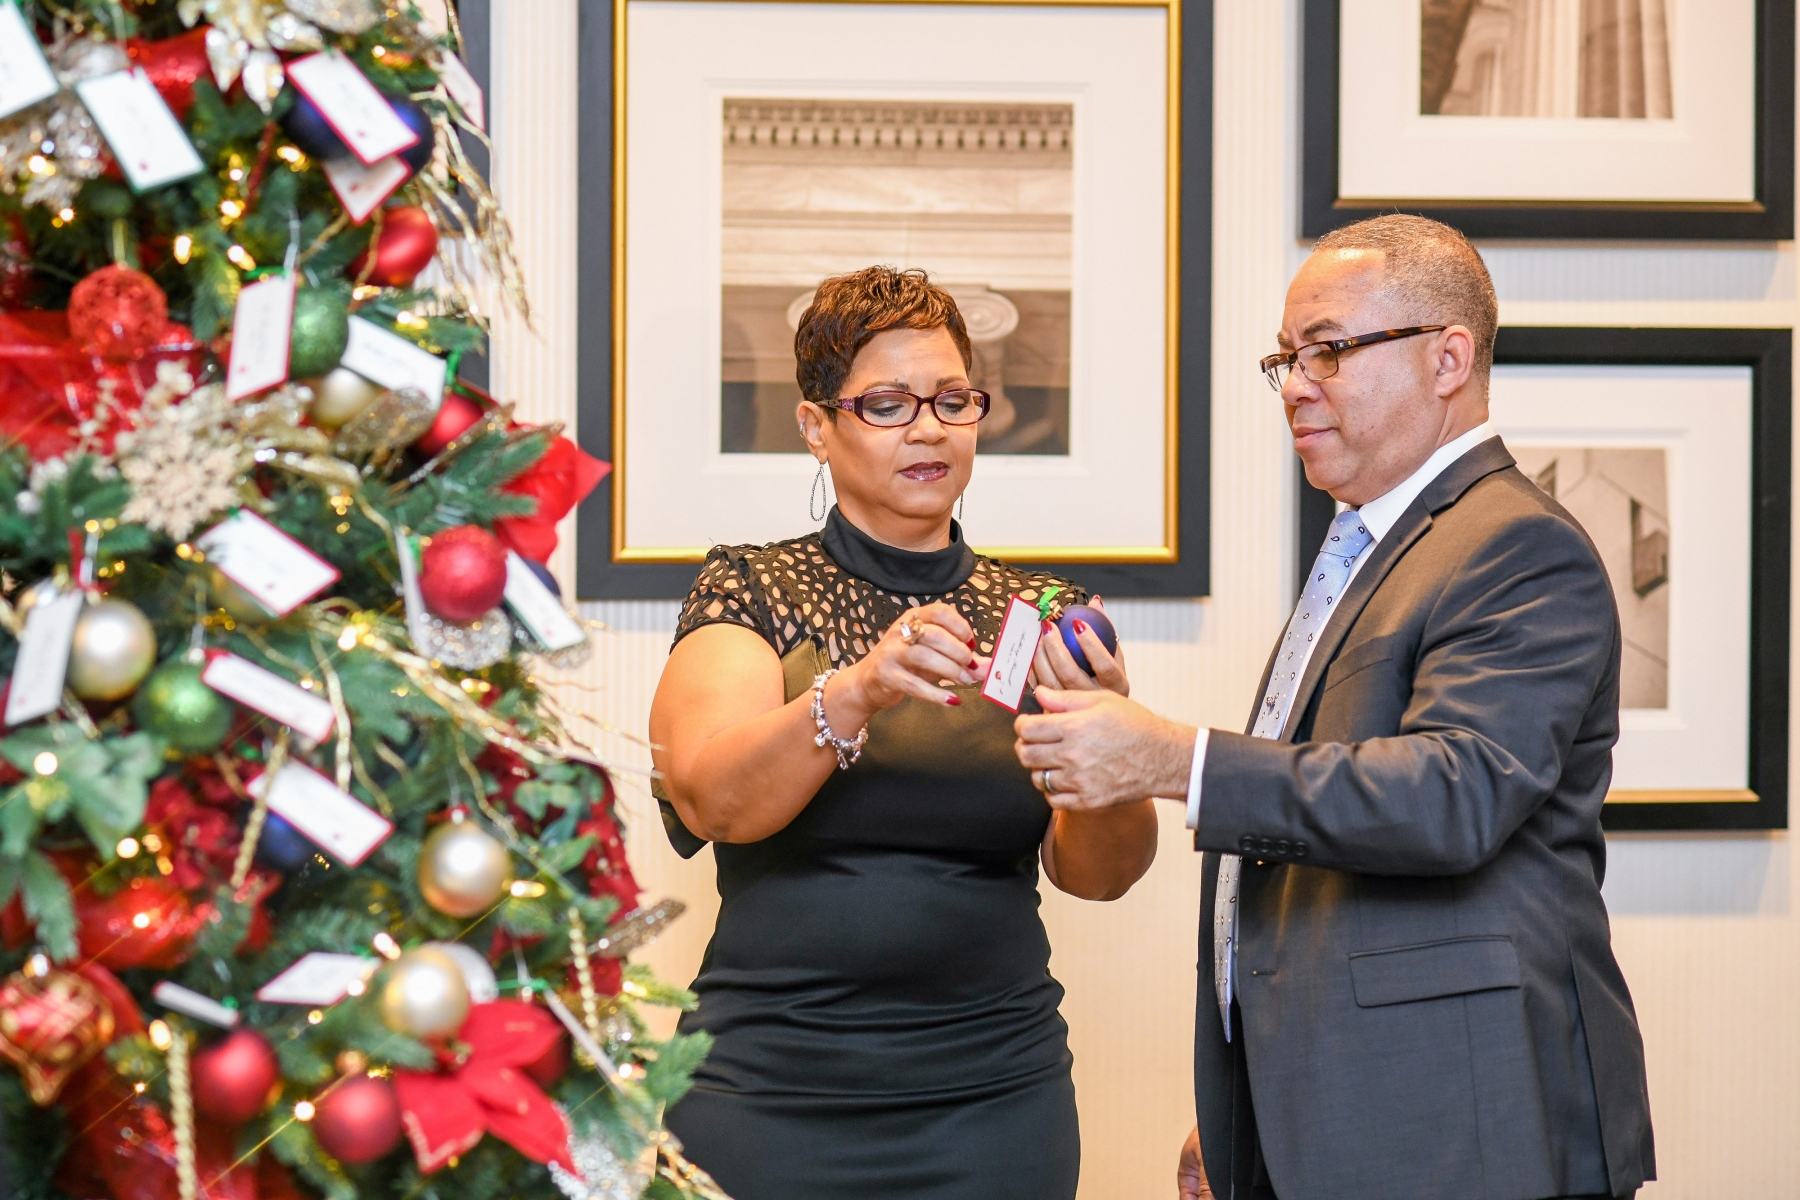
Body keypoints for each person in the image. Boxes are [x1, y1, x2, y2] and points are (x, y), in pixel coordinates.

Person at [1012, 215, 1655, 1200]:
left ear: (1448, 359)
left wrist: (1173, 761)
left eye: (1329, 350)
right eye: (1287, 358)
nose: (1296, 385)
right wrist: (1261, 1107)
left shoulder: (1517, 545)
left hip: (1465, 1130)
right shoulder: (1376, 543)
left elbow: (1453, 795)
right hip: (1347, 1110)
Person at [649, 266, 1157, 1200]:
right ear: (817, 427)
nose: (929, 429)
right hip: (767, 1092)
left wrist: (1107, 750)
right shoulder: (751, 590)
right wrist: (856, 692)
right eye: (887, 405)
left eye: (953, 400)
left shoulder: (1042, 614)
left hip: (993, 1102)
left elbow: (1102, 875)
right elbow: (712, 799)